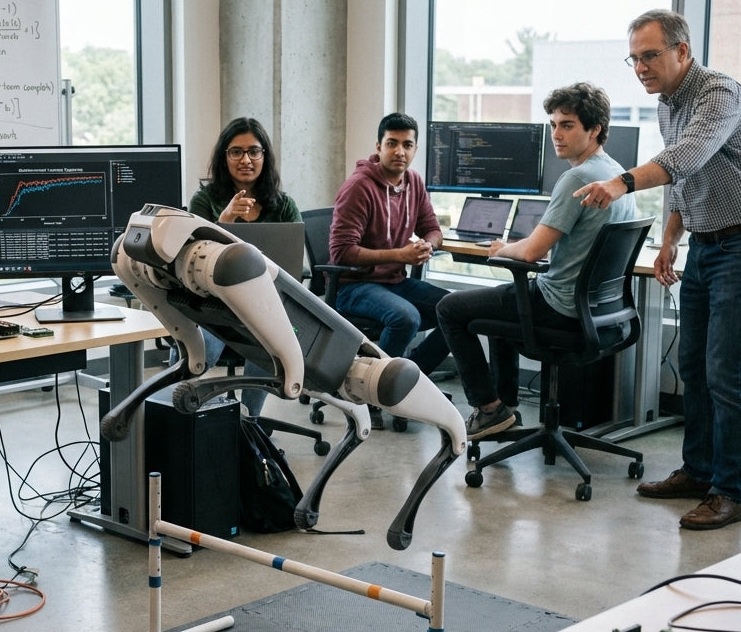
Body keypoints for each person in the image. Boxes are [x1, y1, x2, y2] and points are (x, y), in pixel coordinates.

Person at [575, 9, 741, 531]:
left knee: (726, 372)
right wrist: (671, 239)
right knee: (692, 364)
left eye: (650, 56)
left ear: (682, 51)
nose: (641, 67)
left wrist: (621, 182)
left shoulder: (719, 94)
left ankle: (729, 492)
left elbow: (688, 156)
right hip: (707, 244)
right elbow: (681, 181)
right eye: (635, 59)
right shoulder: (668, 103)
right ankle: (698, 471)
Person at [436, 83, 636, 439]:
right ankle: (505, 410)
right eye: (553, 124)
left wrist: (502, 249)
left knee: (450, 308)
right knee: (498, 309)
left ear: (595, 130)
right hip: (599, 313)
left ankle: (489, 408)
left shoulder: (577, 177)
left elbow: (531, 253)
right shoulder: (615, 175)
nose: (556, 134)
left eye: (568, 125)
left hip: (560, 308)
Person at [328, 112, 449, 429]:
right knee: (405, 317)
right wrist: (400, 254)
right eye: (392, 143)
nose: (400, 152)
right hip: (353, 287)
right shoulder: (359, 188)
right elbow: (341, 253)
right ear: (378, 146)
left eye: (407, 145)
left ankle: (405, 382)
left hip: (394, 281)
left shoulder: (413, 182)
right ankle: (373, 393)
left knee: (455, 311)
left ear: (415, 148)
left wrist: (428, 246)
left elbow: (432, 228)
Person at [187, 117, 301, 415]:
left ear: (265, 156)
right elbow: (190, 256)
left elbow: (293, 264)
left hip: (265, 304)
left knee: (270, 347)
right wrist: (224, 222)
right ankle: (181, 416)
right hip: (213, 303)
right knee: (200, 352)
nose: (246, 159)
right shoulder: (204, 200)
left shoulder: (282, 205)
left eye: (254, 151)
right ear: (224, 157)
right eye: (236, 152)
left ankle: (248, 423)